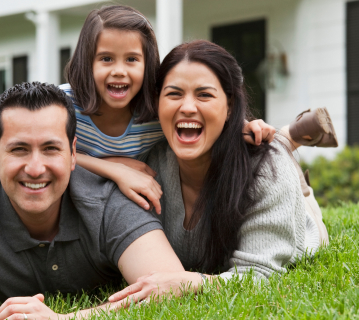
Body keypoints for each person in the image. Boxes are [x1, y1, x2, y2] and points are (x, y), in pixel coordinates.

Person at [0, 82, 185, 320]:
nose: (36, 168)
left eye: (51, 148)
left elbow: (174, 290)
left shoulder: (107, 203)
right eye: (19, 150)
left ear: (72, 152)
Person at [106, 40, 332, 304]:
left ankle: (286, 143)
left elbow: (259, 275)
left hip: (299, 219)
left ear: (230, 107)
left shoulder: (268, 173)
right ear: (157, 103)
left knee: (277, 158)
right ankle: (287, 136)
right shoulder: (150, 162)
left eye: (204, 95)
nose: (187, 107)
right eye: (174, 94)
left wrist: (191, 282)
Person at [60, 5, 290, 214]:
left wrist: (244, 125)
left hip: (122, 205)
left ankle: (294, 138)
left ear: (148, 63)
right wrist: (113, 168)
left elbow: (201, 116)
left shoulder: (154, 110)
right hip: (76, 200)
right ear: (86, 62)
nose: (119, 71)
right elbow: (43, 153)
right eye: (106, 59)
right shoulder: (63, 104)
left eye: (131, 59)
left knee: (273, 147)